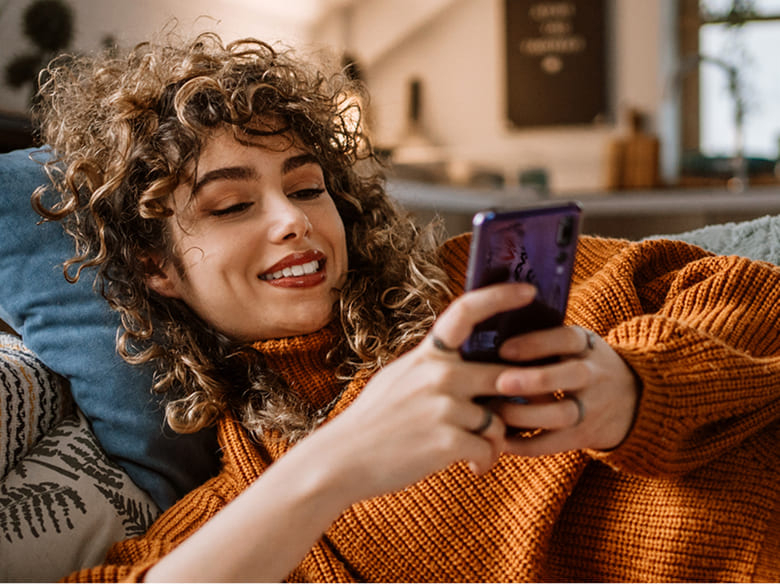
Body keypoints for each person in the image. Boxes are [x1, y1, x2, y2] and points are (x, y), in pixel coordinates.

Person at [32, 32, 778, 582]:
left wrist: (635, 390)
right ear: (155, 266)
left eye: (305, 187)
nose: (292, 220)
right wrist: (334, 465)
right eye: (230, 205)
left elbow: (748, 290)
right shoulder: (253, 500)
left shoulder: (474, 281)